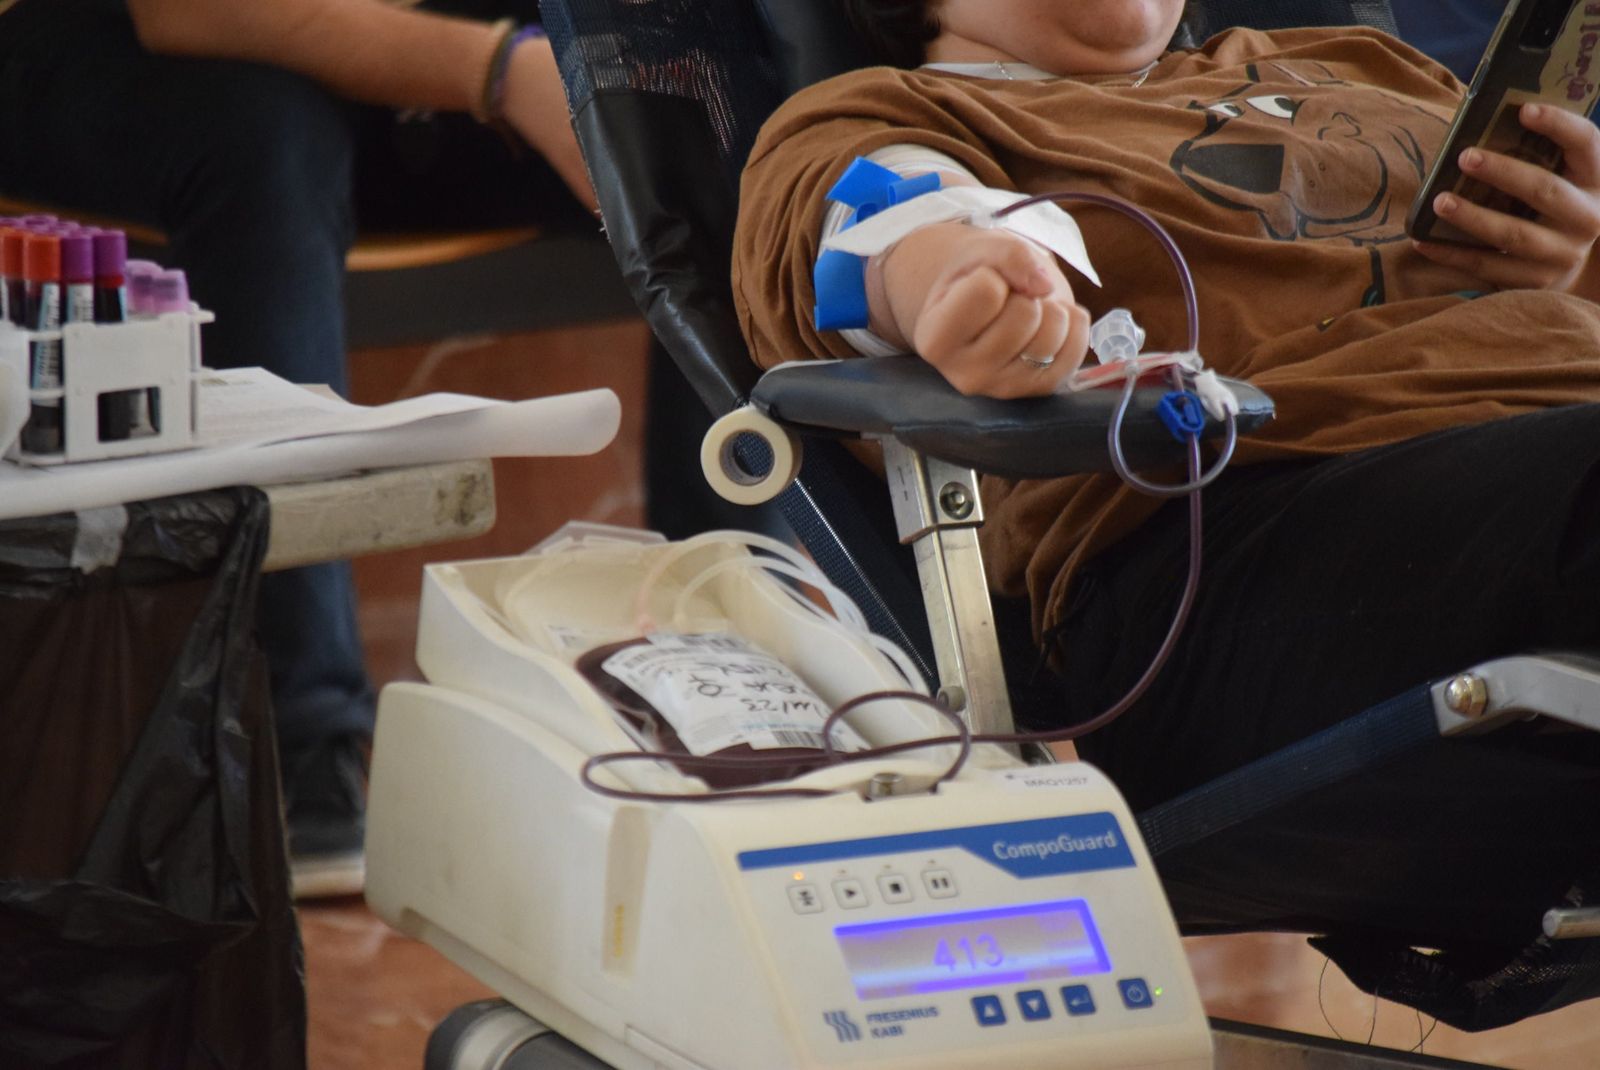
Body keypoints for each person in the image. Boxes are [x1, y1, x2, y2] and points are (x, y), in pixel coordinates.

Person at [732, 0, 1600, 963]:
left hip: (1540, 467)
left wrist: (1575, 259)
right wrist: (965, 273)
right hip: (1235, 560)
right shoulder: (879, 118)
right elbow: (890, 222)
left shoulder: (1363, 64)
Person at [0, 0, 596, 898]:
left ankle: (734, 663)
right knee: (261, 130)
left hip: (442, 60)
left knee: (697, 125)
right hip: (121, 48)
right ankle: (308, 750)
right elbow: (190, 15)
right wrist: (506, 69)